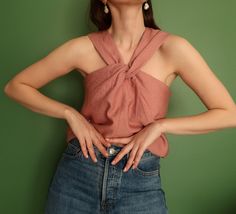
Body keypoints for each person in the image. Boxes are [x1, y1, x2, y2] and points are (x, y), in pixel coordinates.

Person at [4, 0, 236, 213]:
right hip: (78, 175)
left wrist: (159, 126)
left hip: (140, 181)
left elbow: (229, 114)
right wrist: (70, 114)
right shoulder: (83, 48)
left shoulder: (173, 48)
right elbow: (16, 86)